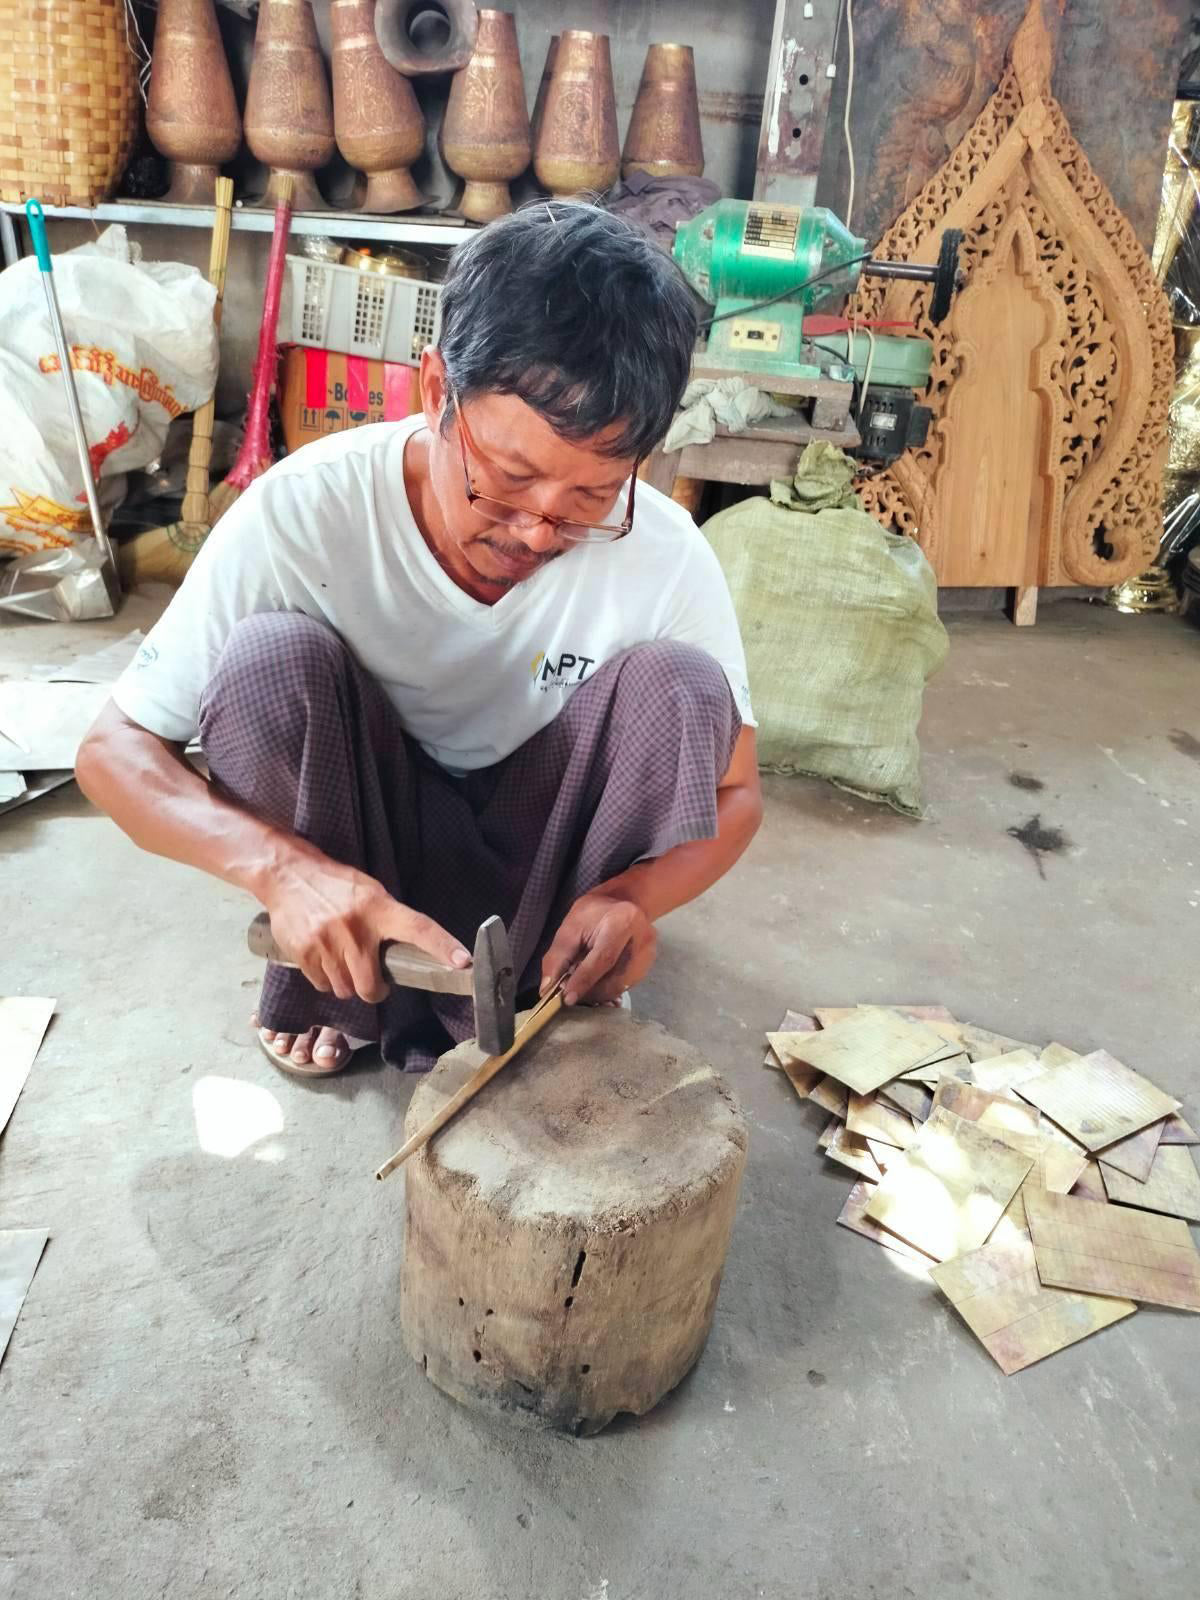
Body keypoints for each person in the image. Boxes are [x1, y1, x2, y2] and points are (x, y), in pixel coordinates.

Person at [76, 202, 762, 1076]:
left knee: (682, 687)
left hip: (547, 860)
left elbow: (739, 793)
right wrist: (281, 871)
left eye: (591, 499)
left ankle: (560, 968)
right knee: (268, 666)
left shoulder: (663, 552)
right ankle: (339, 986)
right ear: (436, 391)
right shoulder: (308, 510)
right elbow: (113, 752)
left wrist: (637, 895)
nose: (538, 532)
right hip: (363, 834)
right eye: (507, 479)